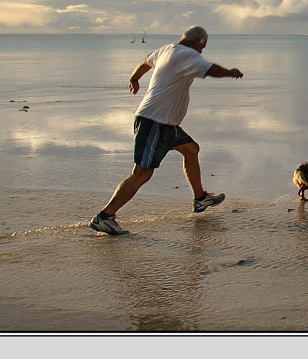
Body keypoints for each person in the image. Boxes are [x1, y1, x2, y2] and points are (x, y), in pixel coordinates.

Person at [90, 25, 243, 236]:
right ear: (200, 42)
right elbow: (211, 69)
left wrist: (135, 79)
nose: (203, 50)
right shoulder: (188, 54)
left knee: (191, 149)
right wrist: (230, 73)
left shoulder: (166, 50)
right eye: (204, 45)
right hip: (154, 121)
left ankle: (200, 199)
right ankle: (105, 217)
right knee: (142, 173)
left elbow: (145, 63)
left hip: (167, 124)